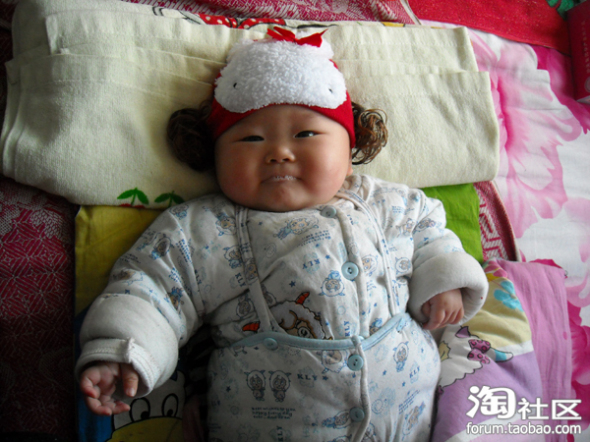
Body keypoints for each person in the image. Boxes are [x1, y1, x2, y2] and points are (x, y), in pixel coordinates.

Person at [77, 28, 488, 441]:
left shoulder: (386, 203)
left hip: (410, 419)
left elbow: (428, 233)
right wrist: (124, 351)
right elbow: (152, 285)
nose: (279, 152)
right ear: (215, 158)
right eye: (251, 138)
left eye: (305, 134)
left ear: (349, 153)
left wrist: (442, 280)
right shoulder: (204, 228)